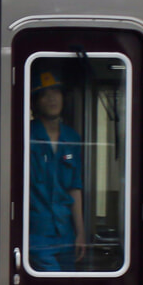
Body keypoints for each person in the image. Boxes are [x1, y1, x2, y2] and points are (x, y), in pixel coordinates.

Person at [28, 70, 85, 270]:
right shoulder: (25, 135)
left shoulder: (72, 138)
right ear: (34, 102)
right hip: (36, 235)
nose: (52, 98)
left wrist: (80, 232)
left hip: (66, 234)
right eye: (44, 93)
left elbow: (74, 188)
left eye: (56, 91)